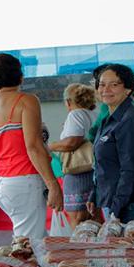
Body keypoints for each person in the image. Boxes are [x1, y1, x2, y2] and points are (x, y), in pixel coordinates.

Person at [0, 53, 63, 238]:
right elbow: (33, 146)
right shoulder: (27, 101)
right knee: (29, 244)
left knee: (33, 240)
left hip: (3, 183)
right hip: (25, 181)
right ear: (21, 77)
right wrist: (53, 184)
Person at [92, 64, 134, 223]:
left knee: (126, 240)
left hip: (128, 204)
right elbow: (103, 164)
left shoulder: (131, 120)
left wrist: (117, 209)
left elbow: (131, 169)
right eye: (102, 84)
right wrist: (94, 195)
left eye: (114, 84)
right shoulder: (109, 119)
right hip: (112, 199)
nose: (106, 89)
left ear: (128, 89)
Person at [48, 83, 98, 226]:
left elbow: (71, 143)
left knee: (77, 218)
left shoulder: (75, 115)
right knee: (93, 217)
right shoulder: (94, 114)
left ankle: (79, 241)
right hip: (92, 170)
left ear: (69, 102)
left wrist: (50, 146)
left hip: (78, 173)